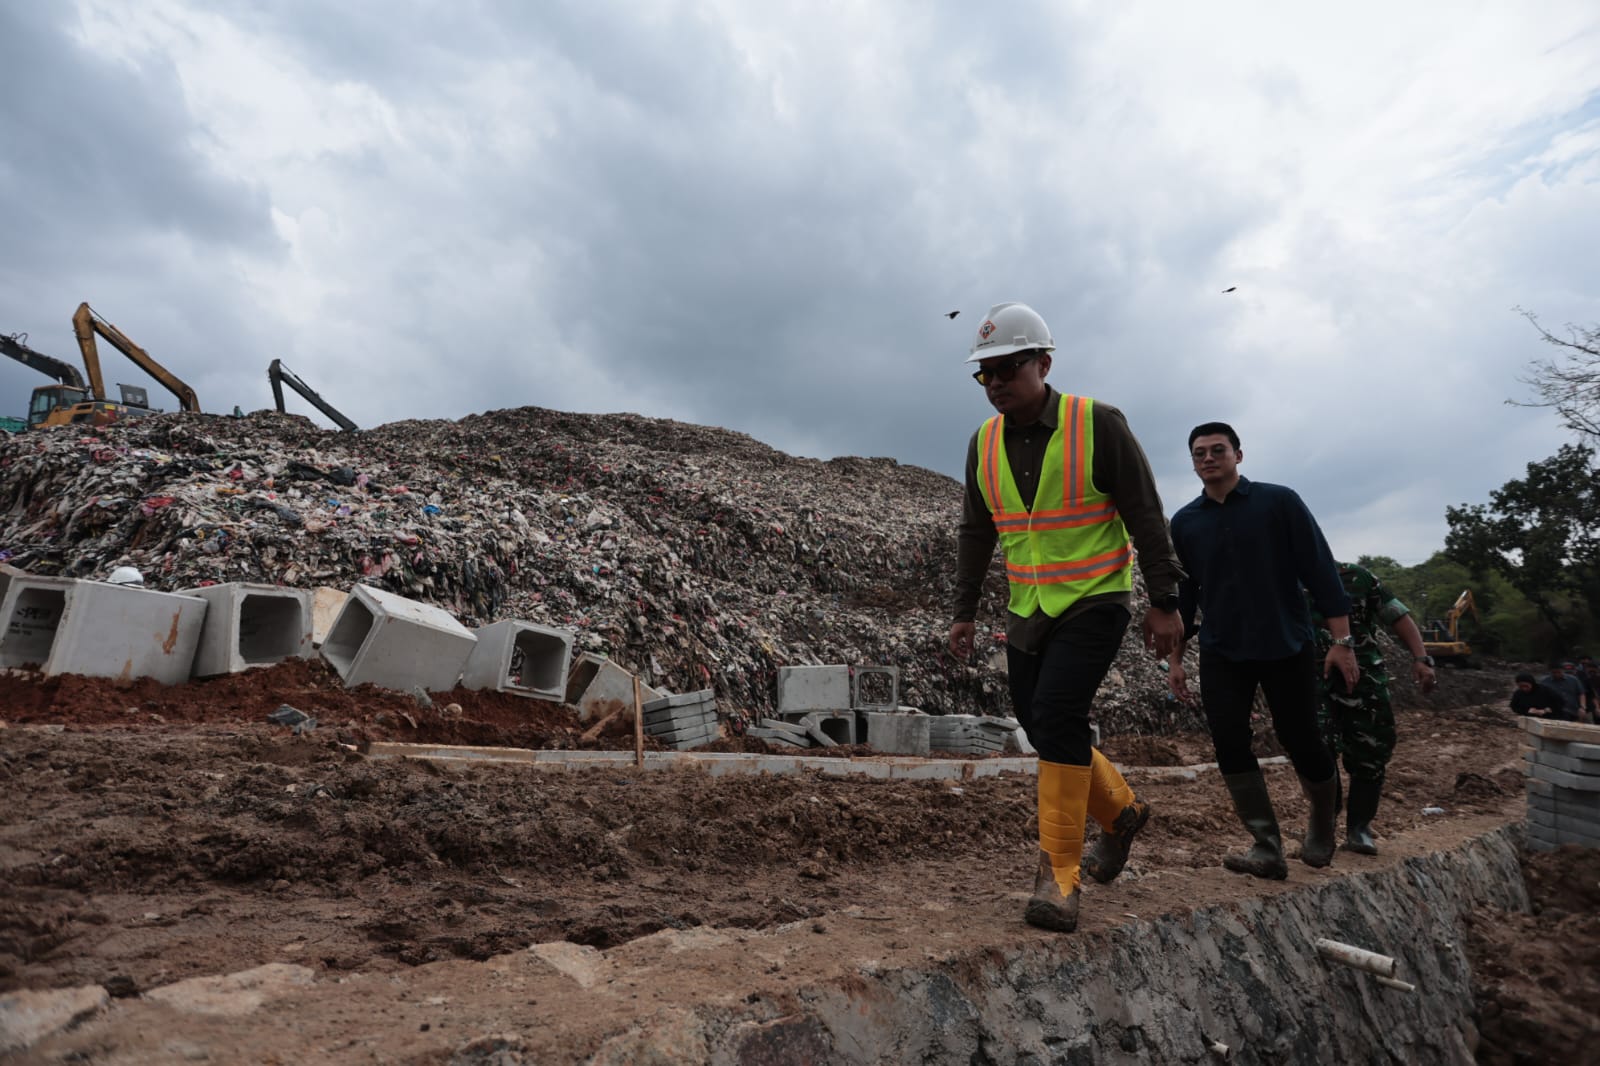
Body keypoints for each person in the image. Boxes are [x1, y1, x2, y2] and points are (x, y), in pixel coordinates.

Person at [949, 301, 1185, 933]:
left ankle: (1058, 875)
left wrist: (1165, 601)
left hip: (1096, 598)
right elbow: (976, 531)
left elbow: (1144, 511)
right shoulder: (983, 443)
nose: (995, 382)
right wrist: (963, 610)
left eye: (1008, 368)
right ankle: (1122, 812)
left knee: (1055, 715)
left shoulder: (1098, 423)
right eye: (985, 373)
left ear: (1044, 363)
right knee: (1042, 723)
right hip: (1028, 606)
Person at [1166, 422, 1359, 880]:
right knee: (1228, 740)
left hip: (1284, 642)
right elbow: (1185, 597)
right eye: (1199, 453)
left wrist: (1342, 642)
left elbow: (1319, 570)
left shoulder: (1279, 502)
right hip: (1222, 649)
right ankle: (1266, 846)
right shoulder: (1185, 522)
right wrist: (1175, 660)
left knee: (1300, 737)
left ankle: (1322, 822)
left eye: (1218, 450)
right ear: (1192, 463)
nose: (1208, 458)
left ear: (1238, 455)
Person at [1308, 562, 1437, 855]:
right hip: (1311, 681)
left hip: (1362, 678)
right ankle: (1324, 825)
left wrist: (1421, 658)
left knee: (1371, 751)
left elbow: (1397, 615)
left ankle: (1359, 827)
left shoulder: (1357, 577)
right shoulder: (1285, 580)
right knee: (1317, 752)